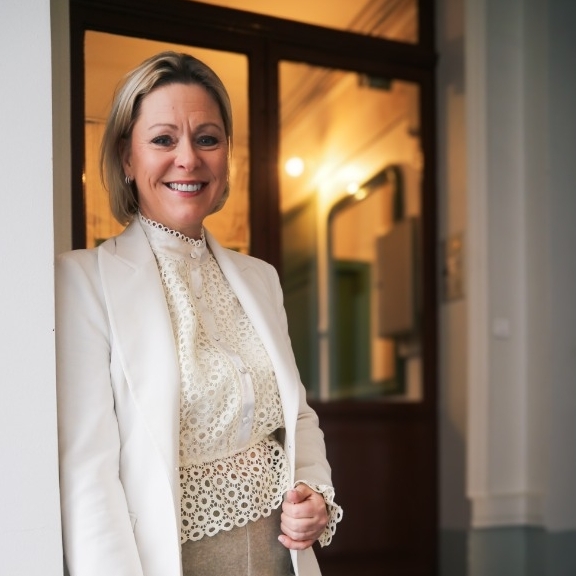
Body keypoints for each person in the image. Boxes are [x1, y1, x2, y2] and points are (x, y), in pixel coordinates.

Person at [56, 51, 342, 576]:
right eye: (163, 140)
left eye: (207, 139)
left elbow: (297, 415)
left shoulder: (261, 277)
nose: (188, 159)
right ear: (126, 158)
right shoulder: (81, 281)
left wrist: (314, 491)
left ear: (227, 154)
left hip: (284, 560)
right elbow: (87, 475)